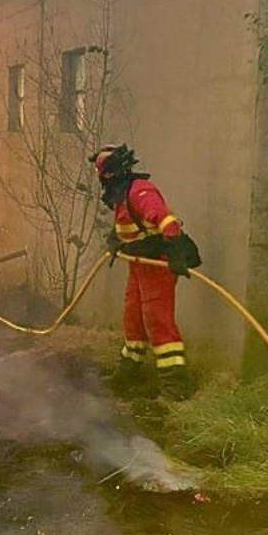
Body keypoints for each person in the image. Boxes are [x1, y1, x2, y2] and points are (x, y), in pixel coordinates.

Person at [90, 143, 201, 395]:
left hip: (158, 265)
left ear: (111, 173)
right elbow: (129, 224)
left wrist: (174, 255)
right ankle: (131, 367)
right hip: (139, 266)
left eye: (102, 174)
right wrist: (116, 240)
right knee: (133, 316)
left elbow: (168, 222)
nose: (102, 179)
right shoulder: (123, 194)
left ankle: (176, 383)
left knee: (157, 320)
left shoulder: (140, 192)